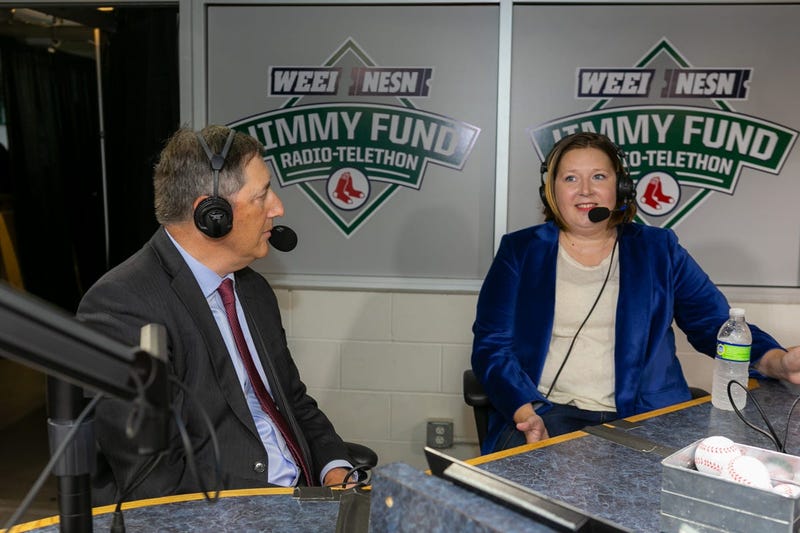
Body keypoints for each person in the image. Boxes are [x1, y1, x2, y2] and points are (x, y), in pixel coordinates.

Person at [471, 131, 800, 454]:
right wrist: (524, 412)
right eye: (571, 178)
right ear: (551, 191)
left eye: (599, 176)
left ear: (620, 187)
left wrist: (777, 361)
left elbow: (713, 324)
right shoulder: (520, 251)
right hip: (549, 414)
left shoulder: (658, 248)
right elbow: (492, 347)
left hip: (645, 417)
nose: (585, 190)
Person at [77, 125, 355, 504]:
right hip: (228, 512)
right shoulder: (122, 306)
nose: (277, 208)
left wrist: (335, 468)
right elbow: (153, 477)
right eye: (262, 195)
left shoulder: (253, 290)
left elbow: (292, 400)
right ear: (212, 215)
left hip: (300, 496)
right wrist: (283, 505)